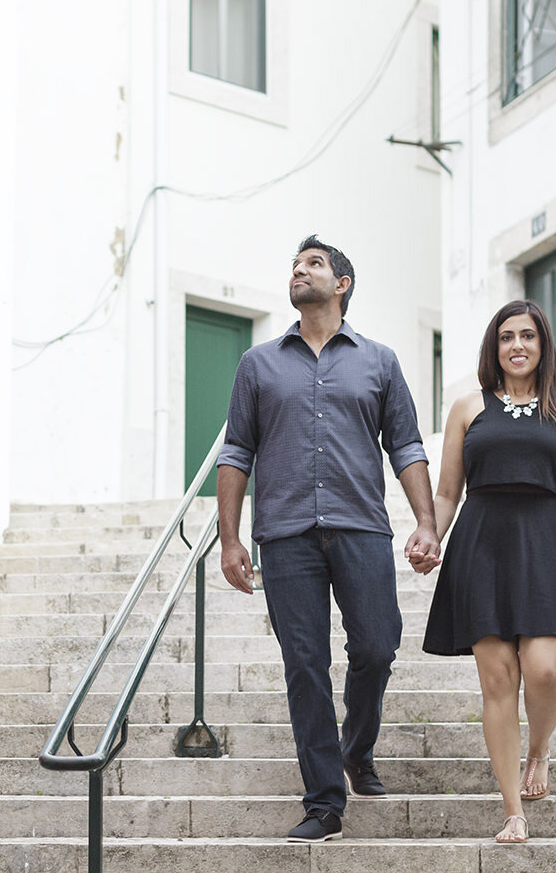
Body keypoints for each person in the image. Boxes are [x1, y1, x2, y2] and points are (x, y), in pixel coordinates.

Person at [216, 235, 440, 844]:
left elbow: (406, 445)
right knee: (305, 664)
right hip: (284, 535)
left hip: (361, 525)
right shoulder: (257, 364)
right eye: (295, 264)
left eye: (313, 264)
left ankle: (356, 747)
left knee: (376, 646)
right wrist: (229, 538)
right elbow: (237, 452)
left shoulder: (380, 361)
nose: (299, 271)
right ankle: (324, 801)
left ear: (341, 284)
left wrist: (426, 522)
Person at [418, 299, 556, 845]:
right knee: (498, 681)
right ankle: (512, 812)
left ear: (543, 344)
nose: (517, 345)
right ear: (494, 347)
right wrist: (432, 534)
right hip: (481, 546)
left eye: (527, 335)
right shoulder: (466, 408)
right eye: (506, 337)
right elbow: (449, 490)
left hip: (547, 544)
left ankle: (540, 749)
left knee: (545, 668)